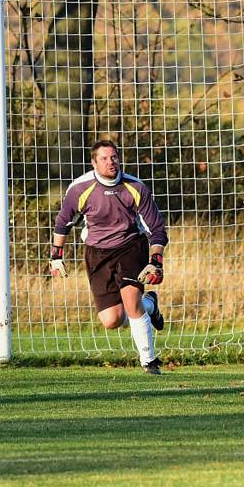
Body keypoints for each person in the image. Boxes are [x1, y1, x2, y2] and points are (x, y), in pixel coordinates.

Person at [49, 141, 169, 374]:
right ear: (94, 162)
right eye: (104, 158)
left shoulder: (136, 187)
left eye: (114, 157)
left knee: (132, 303)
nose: (110, 162)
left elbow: (157, 229)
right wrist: (56, 256)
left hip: (130, 246)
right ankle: (151, 305)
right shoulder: (79, 189)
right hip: (97, 253)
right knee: (111, 320)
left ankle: (149, 361)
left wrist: (155, 261)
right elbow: (63, 223)